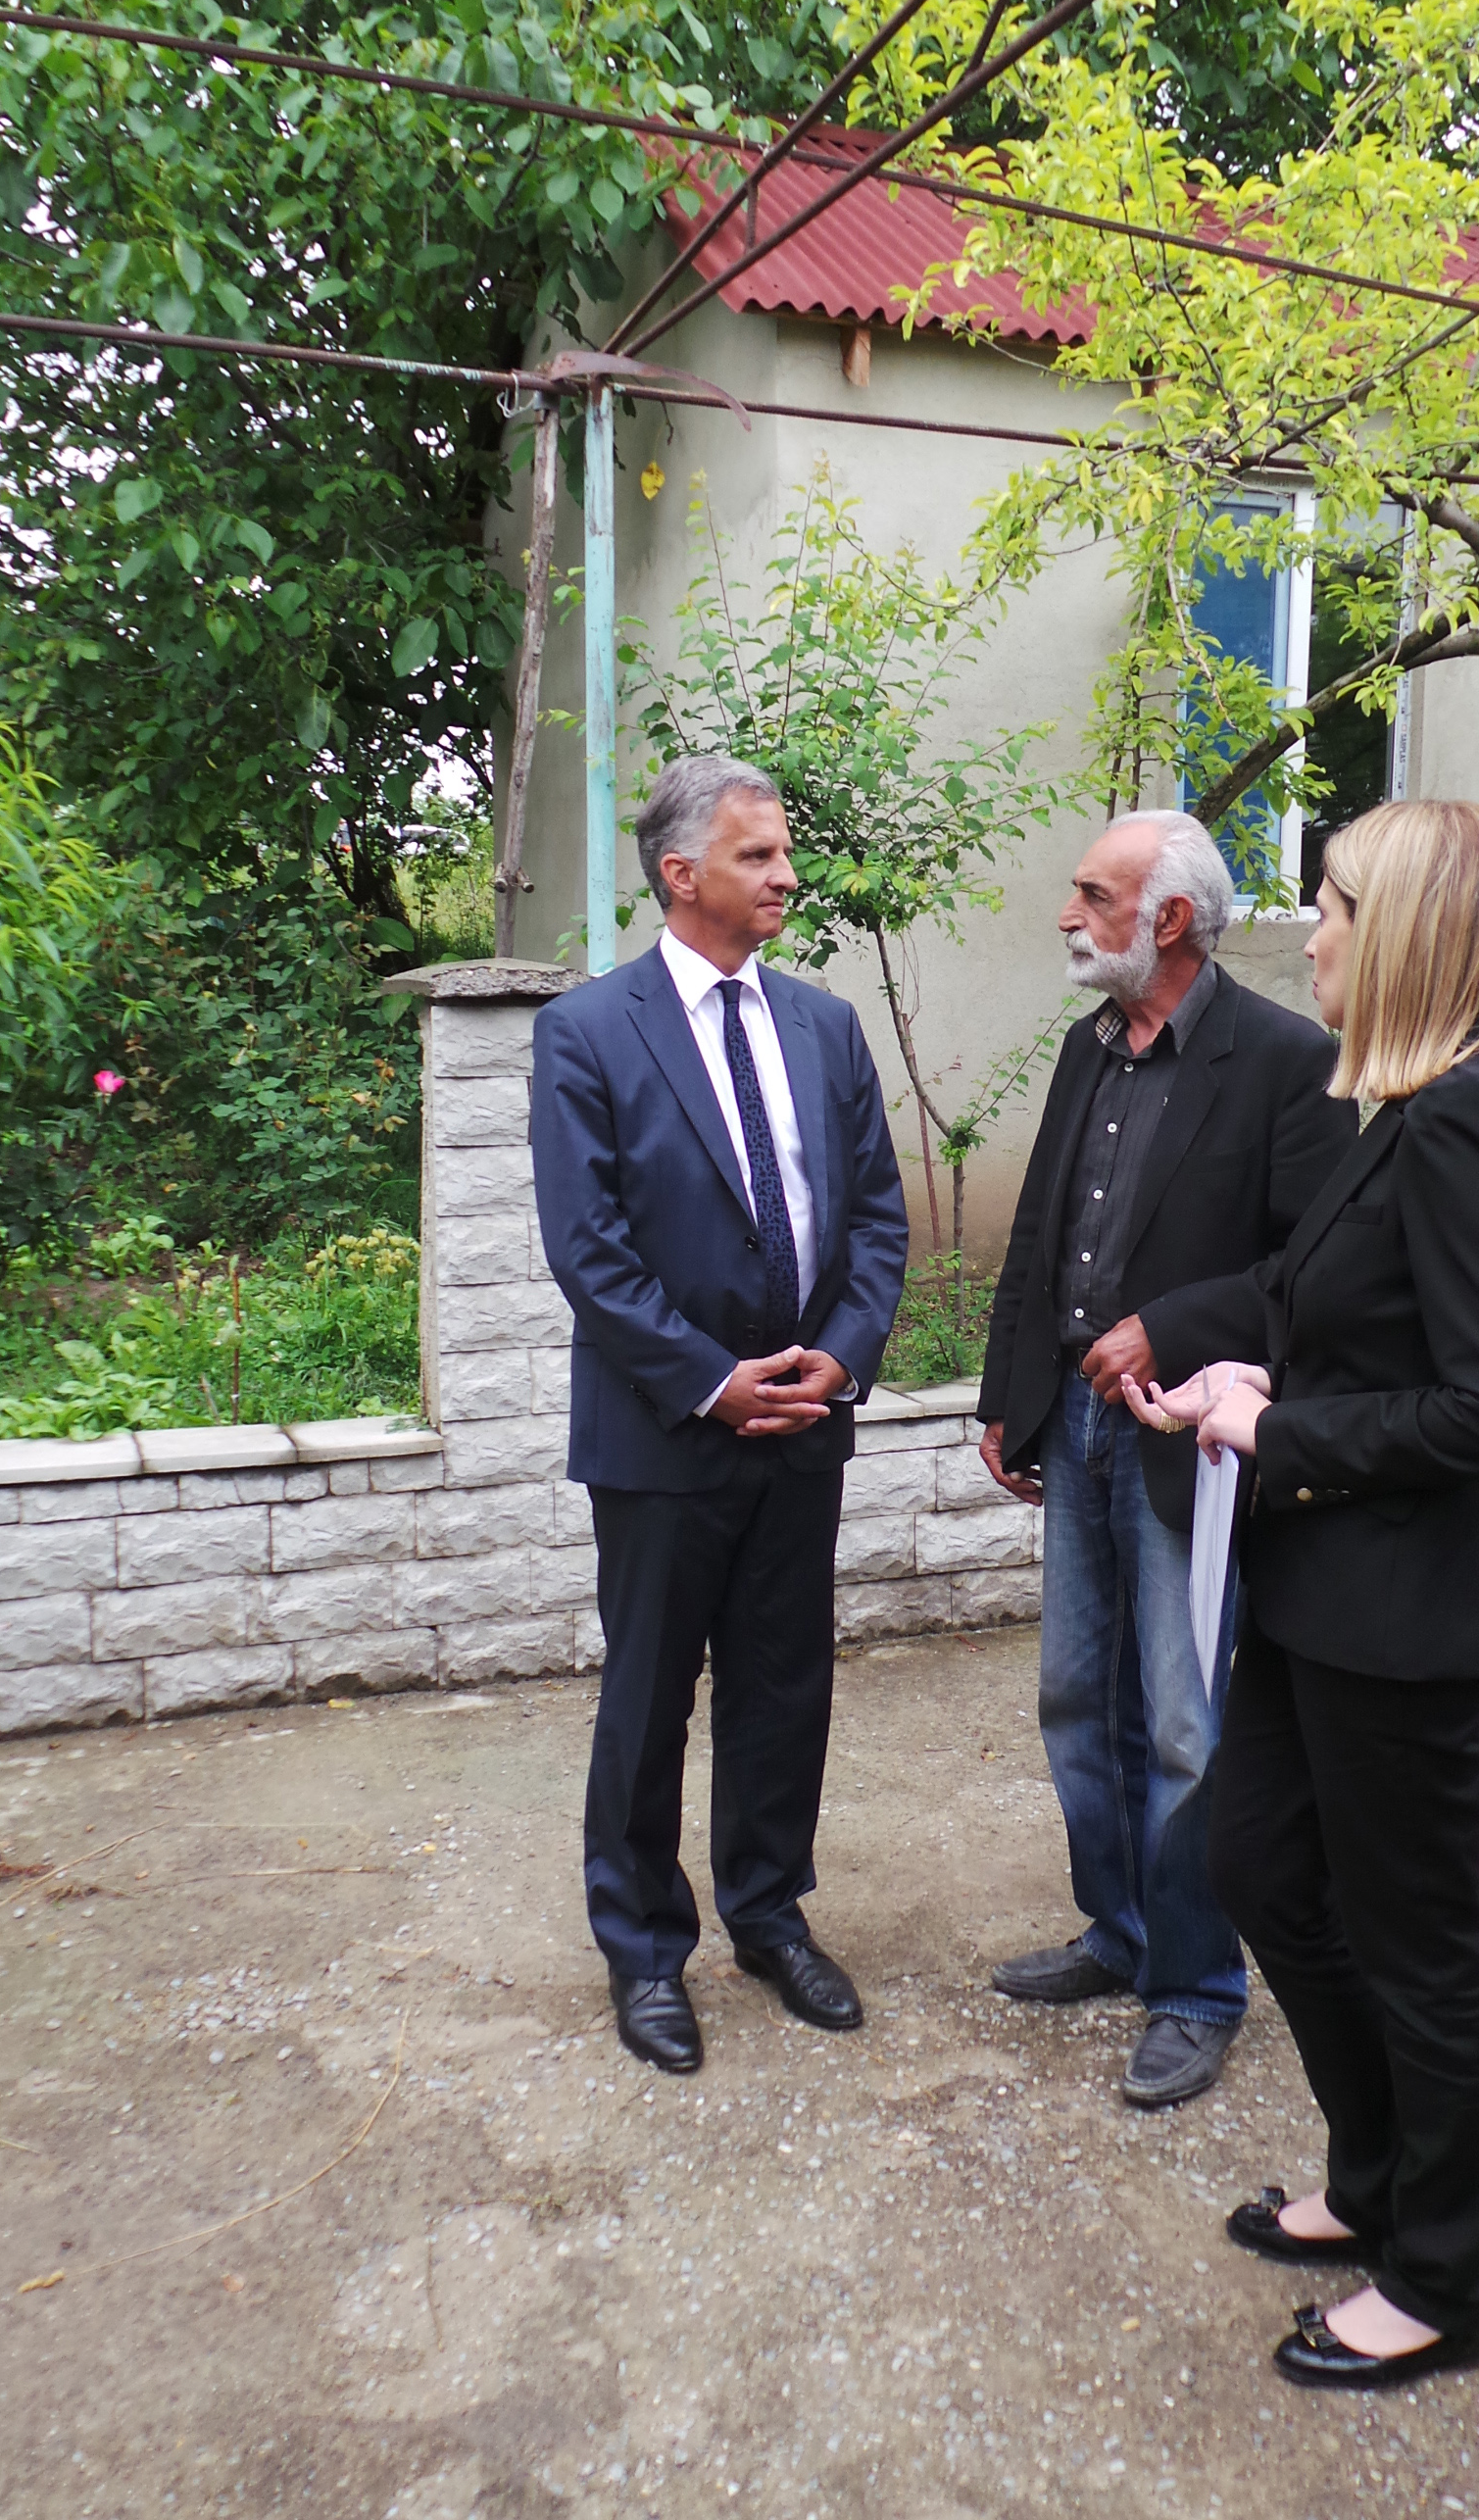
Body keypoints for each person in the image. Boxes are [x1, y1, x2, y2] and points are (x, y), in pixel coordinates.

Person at [1121, 798, 1479, 2389]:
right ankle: (1374, 2178)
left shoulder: (1468, 1120)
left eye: (1330, 906)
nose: (1305, 932)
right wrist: (1250, 1368)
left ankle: (1446, 2278)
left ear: (1408, 934)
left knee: (1416, 1944)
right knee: (1262, 1870)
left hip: (1405, 1622)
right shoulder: (1395, 1113)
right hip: (1319, 1597)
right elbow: (1377, 1336)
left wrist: (1277, 1428)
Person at [530, 754, 908, 2075]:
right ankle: (642, 1949)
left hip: (804, 1424)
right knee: (647, 1698)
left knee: (781, 1682)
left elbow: (874, 1217)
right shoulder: (587, 1033)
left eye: (785, 853)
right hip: (664, 1433)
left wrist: (842, 1356)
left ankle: (768, 1912)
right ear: (682, 875)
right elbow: (588, 1250)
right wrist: (709, 1376)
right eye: (760, 857)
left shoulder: (826, 1027)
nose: (789, 876)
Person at [977, 812, 1357, 2108]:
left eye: (1092, 893)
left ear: (1171, 918)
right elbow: (1039, 1224)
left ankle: (1198, 1985)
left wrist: (1172, 1329)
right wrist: (1006, 1394)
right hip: (1075, 1422)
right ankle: (1122, 1931)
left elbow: (1314, 1276)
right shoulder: (1092, 1050)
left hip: (1189, 1431)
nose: (1068, 914)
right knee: (1077, 1702)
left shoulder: (1288, 1062)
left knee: (1185, 1719)